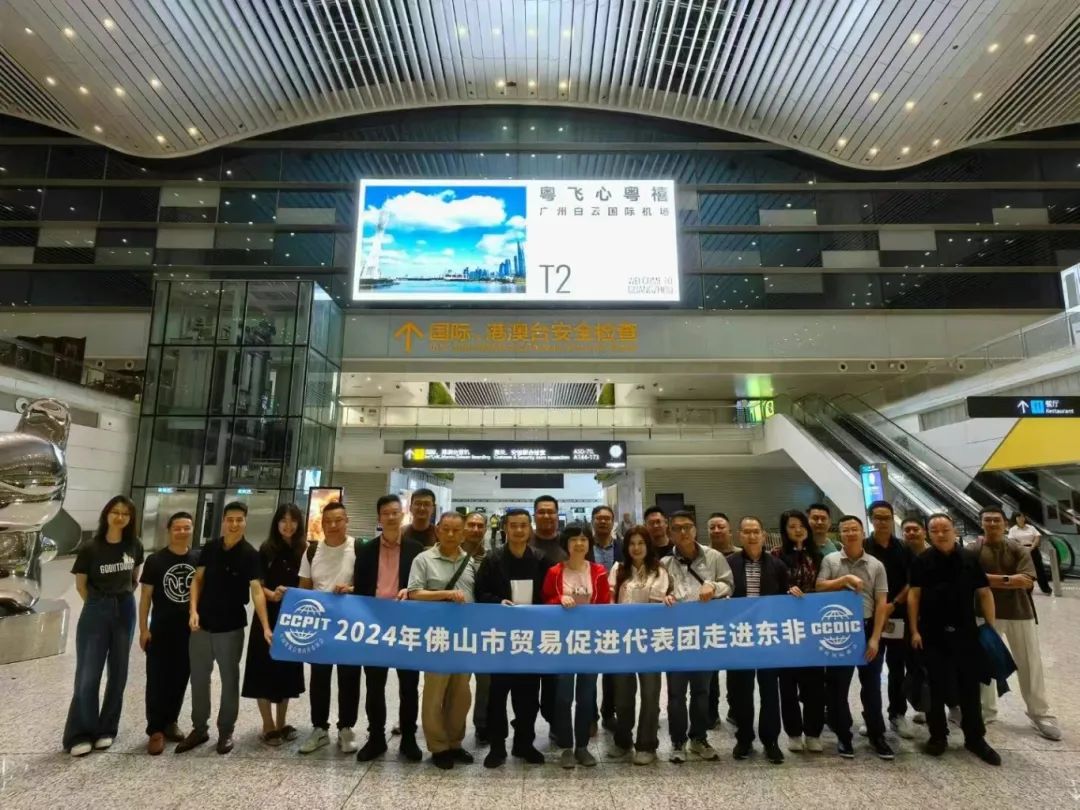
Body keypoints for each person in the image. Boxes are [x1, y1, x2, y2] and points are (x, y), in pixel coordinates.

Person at [179, 501, 272, 755]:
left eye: (239, 520)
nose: (234, 524)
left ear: (245, 522)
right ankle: (199, 728)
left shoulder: (250, 554)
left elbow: (257, 591)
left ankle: (226, 731)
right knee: (199, 678)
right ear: (223, 521)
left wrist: (265, 626)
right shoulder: (210, 548)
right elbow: (197, 580)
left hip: (230, 627)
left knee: (229, 679)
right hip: (202, 626)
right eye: (230, 519)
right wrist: (193, 610)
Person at [908, 513, 1001, 765]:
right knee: (935, 687)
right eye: (934, 530)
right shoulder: (922, 561)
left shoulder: (969, 558)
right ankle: (938, 736)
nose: (940, 534)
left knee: (969, 687)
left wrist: (990, 628)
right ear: (928, 534)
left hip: (966, 633)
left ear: (954, 530)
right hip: (932, 634)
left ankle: (975, 738)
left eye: (945, 529)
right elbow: (914, 595)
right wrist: (914, 630)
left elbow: (984, 593)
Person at [63, 495, 144, 756]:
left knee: (118, 672)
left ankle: (107, 728)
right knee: (88, 673)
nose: (120, 517)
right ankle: (80, 733)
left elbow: (134, 577)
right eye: (115, 512)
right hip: (96, 608)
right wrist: (98, 606)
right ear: (106, 514)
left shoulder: (135, 545)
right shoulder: (91, 548)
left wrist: (121, 599)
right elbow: (81, 585)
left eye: (125, 514)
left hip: (125, 608)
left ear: (131, 519)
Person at [474, 508, 552, 768]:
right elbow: (480, 593)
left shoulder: (541, 560)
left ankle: (524, 743)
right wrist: (498, 602)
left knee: (528, 697)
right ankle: (497, 747)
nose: (519, 530)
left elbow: (549, 595)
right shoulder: (493, 560)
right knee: (497, 697)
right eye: (513, 525)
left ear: (530, 528)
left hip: (531, 639)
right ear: (505, 528)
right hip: (501, 639)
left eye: (523, 525)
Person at [976, 506, 1061, 741]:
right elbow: (970, 579)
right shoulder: (974, 549)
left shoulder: (1017, 548)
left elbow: (1026, 581)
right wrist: (1009, 580)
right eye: (987, 520)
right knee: (985, 662)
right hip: (985, 614)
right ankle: (985, 711)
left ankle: (1039, 713)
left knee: (1030, 663)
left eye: (996, 520)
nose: (992, 524)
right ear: (981, 523)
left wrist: (987, 579)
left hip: (1019, 613)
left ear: (1005, 523)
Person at [353, 494, 426, 761]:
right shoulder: (366, 550)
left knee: (409, 685)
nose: (391, 517)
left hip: (407, 626)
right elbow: (360, 590)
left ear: (402, 514)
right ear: (379, 518)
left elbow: (422, 586)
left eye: (396, 512)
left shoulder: (416, 549)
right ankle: (375, 738)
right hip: (375, 626)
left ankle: (408, 738)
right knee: (374, 685)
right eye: (386, 513)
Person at [816, 515, 893, 760]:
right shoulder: (830, 560)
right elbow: (819, 586)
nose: (850, 533)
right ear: (840, 534)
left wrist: (875, 638)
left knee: (871, 687)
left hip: (868, 627)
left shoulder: (876, 565)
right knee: (837, 687)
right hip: (838, 630)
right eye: (845, 530)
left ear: (862, 533)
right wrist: (843, 580)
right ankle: (843, 735)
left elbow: (882, 603)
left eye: (854, 529)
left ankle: (876, 734)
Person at [661, 510, 733, 762]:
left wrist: (713, 586)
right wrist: (664, 597)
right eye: (677, 528)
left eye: (688, 526)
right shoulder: (664, 563)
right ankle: (678, 741)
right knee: (676, 694)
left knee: (702, 691)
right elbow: (658, 592)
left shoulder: (714, 557)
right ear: (670, 533)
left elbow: (729, 584)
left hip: (705, 635)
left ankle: (699, 738)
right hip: (676, 637)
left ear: (695, 529)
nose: (683, 532)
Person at [408, 512, 477, 769]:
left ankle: (455, 742)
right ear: (437, 530)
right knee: (434, 694)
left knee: (461, 694)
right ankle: (438, 747)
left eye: (456, 530)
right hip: (436, 637)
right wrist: (446, 594)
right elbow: (414, 593)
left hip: (464, 637)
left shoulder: (470, 561)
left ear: (463, 534)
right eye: (445, 529)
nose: (450, 534)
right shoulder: (423, 559)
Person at [542, 523, 612, 769]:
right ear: (566, 544)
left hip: (589, 642)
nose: (579, 544)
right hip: (562, 643)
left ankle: (582, 746)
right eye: (574, 540)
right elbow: (545, 601)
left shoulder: (599, 571)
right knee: (563, 696)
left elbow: (604, 604)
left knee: (586, 695)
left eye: (583, 539)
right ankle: (565, 746)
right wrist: (558, 599)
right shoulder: (555, 572)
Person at [296, 500, 360, 754]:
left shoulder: (359, 548)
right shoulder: (312, 551)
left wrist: (351, 589)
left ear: (347, 521)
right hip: (320, 626)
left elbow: (368, 585)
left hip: (350, 625)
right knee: (319, 678)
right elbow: (304, 587)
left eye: (338, 520)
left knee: (349, 677)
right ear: (321, 524)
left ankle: (346, 728)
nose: (333, 525)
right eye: (328, 521)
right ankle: (319, 728)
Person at [242, 503, 306, 746]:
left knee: (286, 671)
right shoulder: (266, 550)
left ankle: (281, 722)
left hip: (293, 618)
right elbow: (257, 586)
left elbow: (307, 584)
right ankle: (268, 724)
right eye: (283, 520)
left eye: (293, 520)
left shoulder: (304, 550)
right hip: (266, 616)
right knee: (263, 669)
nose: (288, 525)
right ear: (276, 523)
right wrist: (273, 595)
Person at [728, 516, 789, 765]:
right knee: (741, 692)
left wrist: (793, 594)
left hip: (767, 637)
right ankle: (744, 738)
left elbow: (785, 597)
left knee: (769, 691)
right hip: (739, 637)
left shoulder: (777, 565)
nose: (752, 536)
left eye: (756, 531)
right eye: (747, 532)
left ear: (763, 535)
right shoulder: (729, 564)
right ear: (739, 535)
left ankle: (771, 740)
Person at [607, 525, 670, 765]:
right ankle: (622, 740)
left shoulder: (658, 571)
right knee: (622, 696)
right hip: (622, 642)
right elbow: (609, 602)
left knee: (650, 694)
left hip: (650, 641)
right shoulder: (618, 569)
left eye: (641, 543)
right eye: (632, 543)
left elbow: (655, 605)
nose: (636, 548)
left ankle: (646, 744)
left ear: (648, 545)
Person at [138, 510, 198, 755]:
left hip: (188, 632)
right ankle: (155, 729)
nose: (182, 532)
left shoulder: (197, 558)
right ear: (169, 530)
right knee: (157, 679)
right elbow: (145, 597)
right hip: (161, 629)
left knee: (180, 677)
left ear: (192, 529)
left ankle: (171, 721)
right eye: (177, 528)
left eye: (186, 527)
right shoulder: (156, 560)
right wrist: (143, 629)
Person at [773, 509, 825, 754]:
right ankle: (793, 733)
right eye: (792, 526)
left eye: (801, 525)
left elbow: (824, 586)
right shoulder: (775, 556)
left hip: (813, 628)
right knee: (787, 685)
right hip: (786, 628)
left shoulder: (818, 556)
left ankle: (813, 733)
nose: (798, 530)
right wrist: (786, 592)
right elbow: (771, 588)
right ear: (784, 530)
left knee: (814, 684)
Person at [865, 500, 916, 741]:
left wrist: (893, 604)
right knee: (870, 670)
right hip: (869, 619)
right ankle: (872, 718)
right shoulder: (863, 547)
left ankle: (897, 714)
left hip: (897, 616)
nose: (882, 522)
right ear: (871, 519)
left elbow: (912, 582)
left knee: (897, 668)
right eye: (878, 517)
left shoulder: (904, 548)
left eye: (886, 517)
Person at [590, 504, 621, 732]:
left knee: (612, 668)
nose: (603, 522)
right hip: (589, 613)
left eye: (607, 518)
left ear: (612, 522)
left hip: (616, 614)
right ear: (592, 521)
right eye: (599, 518)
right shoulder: (583, 545)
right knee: (589, 668)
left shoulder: (622, 547)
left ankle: (609, 712)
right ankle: (590, 714)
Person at [463, 511, 491, 744]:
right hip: (456, 629)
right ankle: (452, 726)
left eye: (480, 526)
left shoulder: (491, 558)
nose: (475, 529)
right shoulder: (452, 554)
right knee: (458, 681)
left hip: (485, 629)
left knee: (486, 680)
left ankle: (482, 724)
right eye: (471, 525)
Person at [705, 511, 735, 730]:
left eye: (721, 526)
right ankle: (711, 712)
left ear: (730, 529)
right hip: (710, 622)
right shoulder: (703, 557)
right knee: (711, 670)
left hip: (737, 619)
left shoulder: (741, 555)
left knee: (736, 668)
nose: (716, 530)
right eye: (712, 527)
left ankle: (736, 709)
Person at [1009, 512, 1052, 595]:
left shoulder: (1031, 527)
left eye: (1022, 517)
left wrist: (1032, 546)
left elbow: (1037, 536)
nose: (1021, 519)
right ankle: (1027, 588)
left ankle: (1046, 589)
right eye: (1018, 518)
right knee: (1024, 570)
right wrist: (1022, 547)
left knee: (1039, 569)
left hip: (1033, 549)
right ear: (1015, 519)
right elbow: (1012, 540)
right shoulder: (1013, 529)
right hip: (1021, 550)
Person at [530, 494, 566, 564]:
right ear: (534, 516)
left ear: (557, 516)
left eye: (550, 512)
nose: (546, 516)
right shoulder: (524, 543)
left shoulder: (567, 543)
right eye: (541, 512)